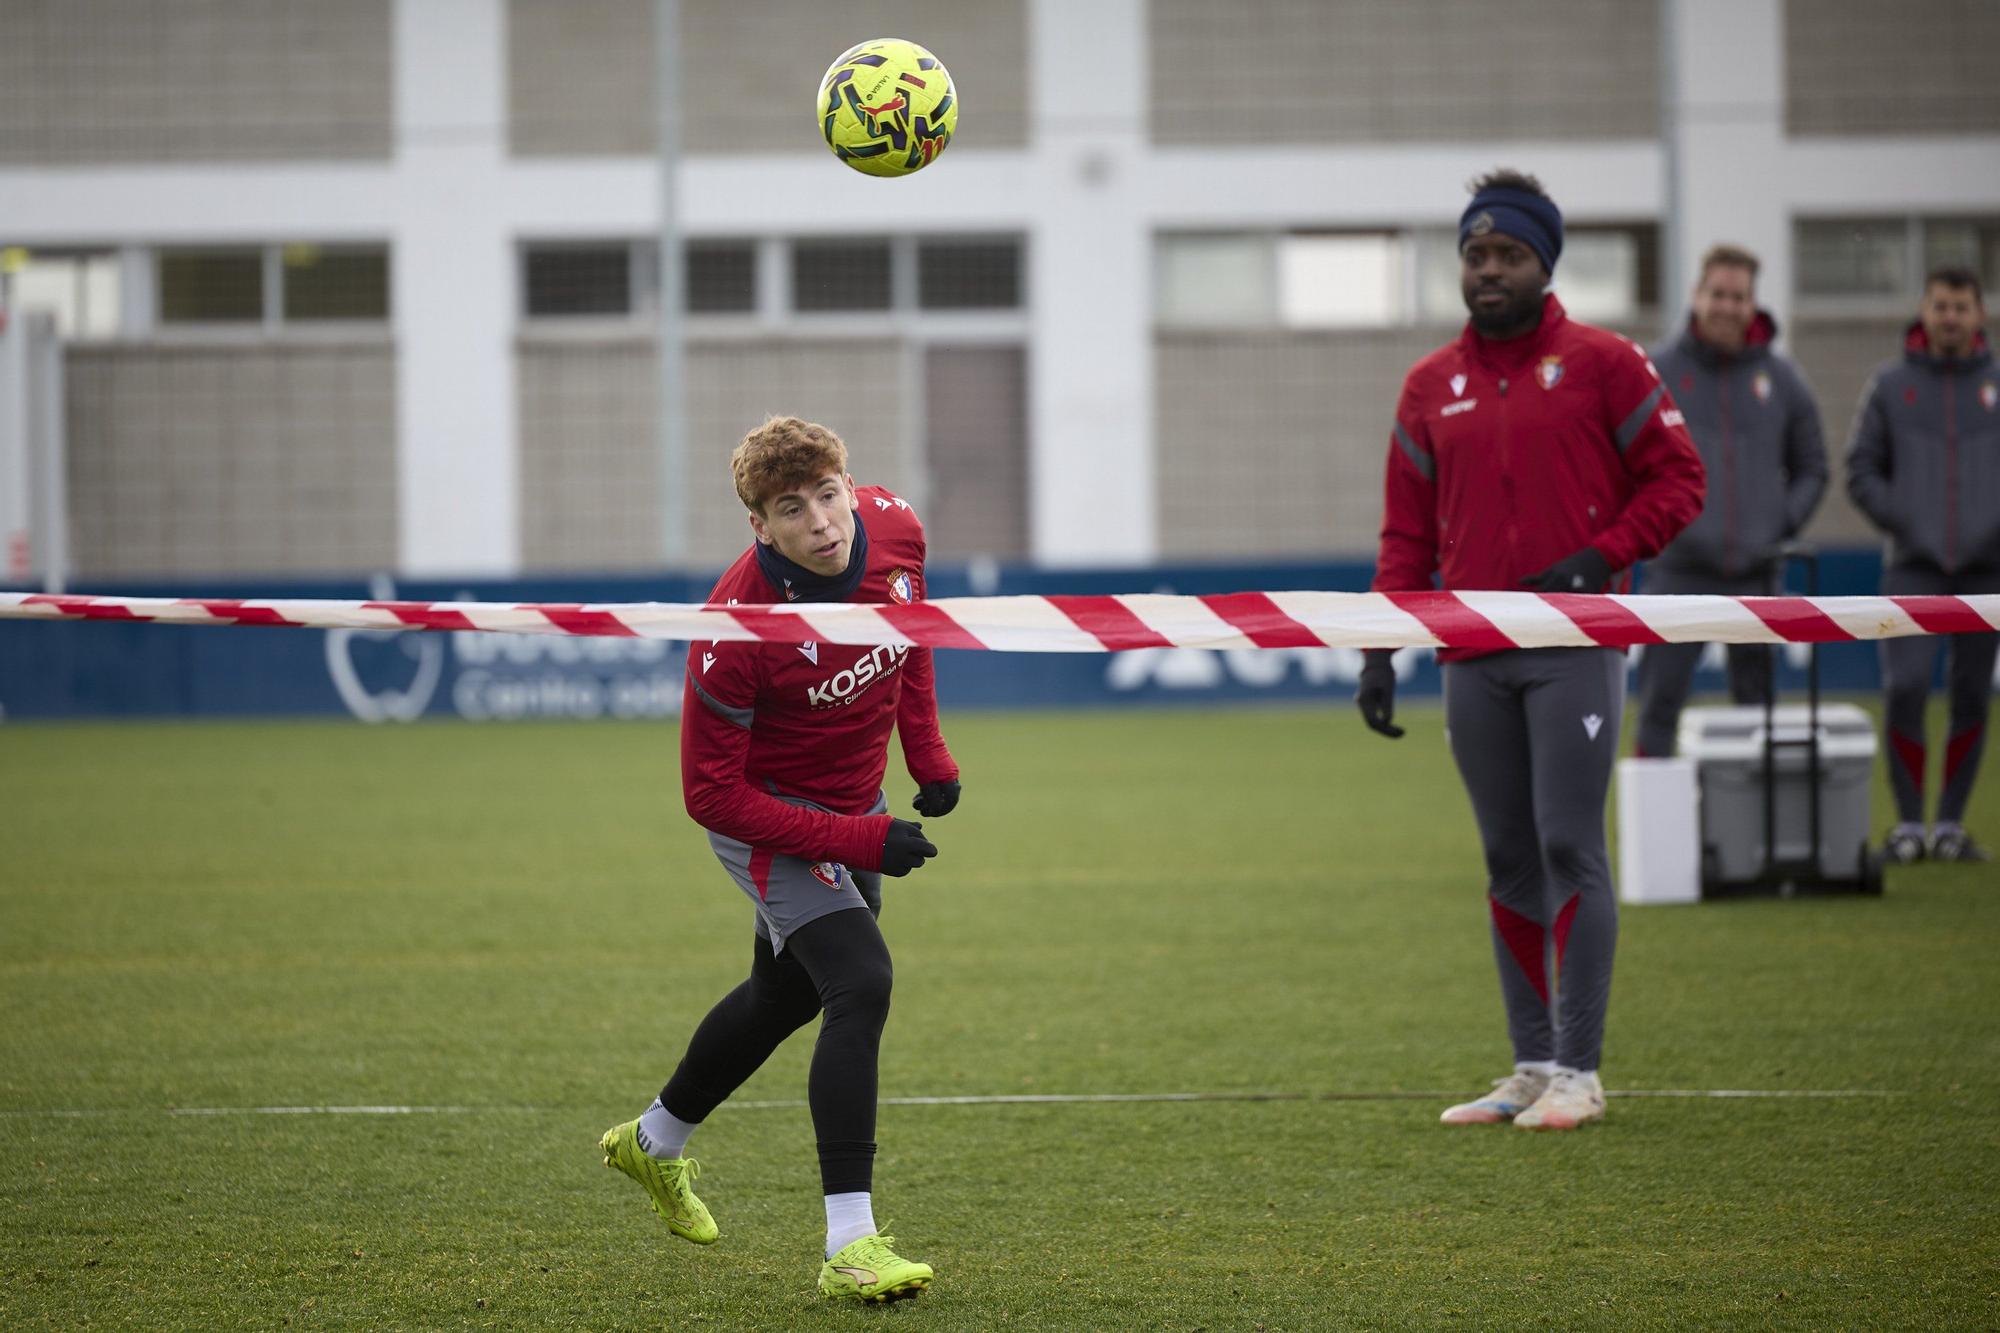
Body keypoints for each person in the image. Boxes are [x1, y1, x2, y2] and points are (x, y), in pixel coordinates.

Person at [1355, 169, 1704, 1131]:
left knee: (1567, 843)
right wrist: (1380, 648)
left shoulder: (1606, 363)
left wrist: (1602, 559)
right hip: (1471, 653)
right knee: (1508, 854)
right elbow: (1405, 539)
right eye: (1475, 254)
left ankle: (1581, 1073)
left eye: (1508, 254)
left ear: (1544, 264)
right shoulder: (1431, 386)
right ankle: (1533, 1062)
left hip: (1576, 645)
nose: (1489, 270)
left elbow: (1679, 480)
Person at [599, 416, 961, 1303]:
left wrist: (928, 755)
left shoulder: (901, 528)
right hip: (769, 821)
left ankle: (650, 1143)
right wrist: (860, 839)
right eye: (792, 509)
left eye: (830, 495)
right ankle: (851, 1242)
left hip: (852, 802)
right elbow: (711, 798)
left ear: (851, 484)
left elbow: (908, 642)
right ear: (759, 526)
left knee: (786, 991)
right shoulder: (734, 628)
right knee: (859, 981)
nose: (824, 522)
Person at [1634, 244, 1828, 758]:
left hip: (1758, 575)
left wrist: (1778, 524)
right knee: (1658, 708)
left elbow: (1814, 466)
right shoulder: (1657, 371)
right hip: (1677, 576)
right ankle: (1653, 836)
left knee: (1760, 717)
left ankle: (1754, 835)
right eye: (1717, 294)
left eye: (1737, 296)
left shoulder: (1783, 379)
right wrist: (1658, 525)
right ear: (1697, 295)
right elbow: (1623, 462)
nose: (1726, 306)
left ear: (1752, 304)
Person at [1846, 266, 1999, 865]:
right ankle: (1910, 825)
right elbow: (1860, 469)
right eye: (1941, 306)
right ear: (1924, 311)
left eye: (1962, 307)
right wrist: (1911, 521)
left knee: (1972, 697)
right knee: (1906, 687)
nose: (1951, 317)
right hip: (1912, 567)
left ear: (1979, 314)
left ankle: (1951, 827)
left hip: (1988, 573)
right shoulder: (1890, 386)